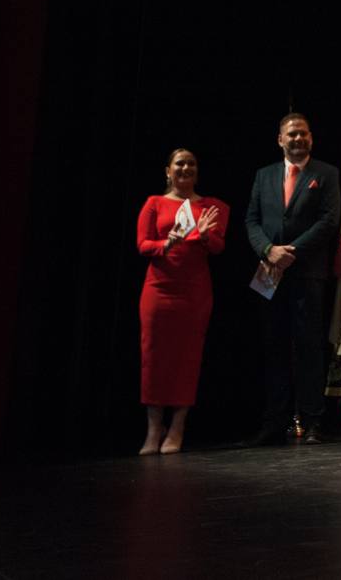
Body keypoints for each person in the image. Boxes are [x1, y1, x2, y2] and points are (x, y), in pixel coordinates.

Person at [244, 113, 341, 445]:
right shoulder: (264, 175)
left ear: (311, 138)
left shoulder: (326, 173)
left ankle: (313, 421)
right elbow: (252, 220)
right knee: (273, 347)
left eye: (302, 134)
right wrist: (269, 250)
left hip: (307, 273)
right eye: (291, 134)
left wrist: (292, 251)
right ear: (280, 140)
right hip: (269, 272)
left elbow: (329, 221)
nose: (297, 139)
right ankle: (275, 421)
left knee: (309, 348)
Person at [134, 149, 227, 454]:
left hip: (194, 293)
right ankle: (152, 429)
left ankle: (177, 427)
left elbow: (217, 246)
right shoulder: (154, 203)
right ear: (168, 171)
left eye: (191, 164)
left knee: (187, 357)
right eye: (180, 164)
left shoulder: (210, 206)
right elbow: (143, 244)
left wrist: (202, 236)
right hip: (159, 290)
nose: (185, 168)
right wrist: (167, 243)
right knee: (154, 358)